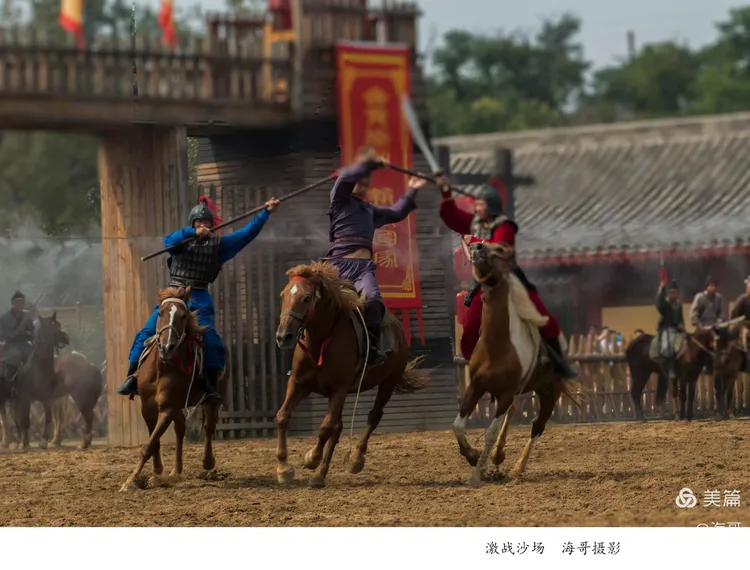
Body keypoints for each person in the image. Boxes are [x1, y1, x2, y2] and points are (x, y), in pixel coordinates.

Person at [116, 195, 280, 401]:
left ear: (212, 226)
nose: (203, 225)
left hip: (199, 299)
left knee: (211, 340)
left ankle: (210, 387)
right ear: (192, 224)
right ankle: (132, 377)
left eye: (206, 222)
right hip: (174, 295)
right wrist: (192, 233)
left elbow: (246, 234)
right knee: (146, 332)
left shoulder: (220, 246)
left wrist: (265, 213)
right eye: (199, 222)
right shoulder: (180, 242)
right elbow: (168, 240)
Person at [436, 176, 576, 379]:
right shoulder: (475, 223)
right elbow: (452, 217)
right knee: (470, 325)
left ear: (490, 206)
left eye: (481, 205)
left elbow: (499, 248)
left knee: (541, 316)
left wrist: (474, 240)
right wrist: (446, 192)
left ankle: (557, 362)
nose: (477, 208)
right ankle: (475, 365)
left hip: (508, 279)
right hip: (485, 282)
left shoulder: (505, 226)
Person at [323, 146, 425, 365]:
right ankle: (306, 353)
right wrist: (368, 163)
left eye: (366, 181)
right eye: (360, 180)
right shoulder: (339, 199)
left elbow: (396, 212)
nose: (363, 183)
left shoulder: (370, 211)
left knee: (373, 299)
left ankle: (371, 347)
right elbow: (346, 178)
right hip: (337, 265)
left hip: (363, 269)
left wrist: (411, 190)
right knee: (315, 300)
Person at [0, 291, 36, 397]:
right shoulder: (4, 318)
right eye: (18, 302)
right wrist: (15, 334)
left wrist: (27, 334)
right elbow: (3, 335)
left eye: (22, 303)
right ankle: (10, 385)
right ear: (13, 304)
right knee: (14, 359)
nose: (21, 305)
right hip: (12, 345)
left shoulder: (27, 317)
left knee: (36, 358)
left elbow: (32, 331)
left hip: (25, 344)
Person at [654, 278, 685, 380]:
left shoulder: (679, 305)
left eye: (675, 293)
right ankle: (669, 368)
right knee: (668, 346)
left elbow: (681, 318)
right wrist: (661, 289)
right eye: (671, 293)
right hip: (666, 328)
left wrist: (682, 325)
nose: (674, 295)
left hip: (677, 330)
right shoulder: (665, 304)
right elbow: (659, 304)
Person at [729, 275, 750, 374]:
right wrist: (742, 325)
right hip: (742, 325)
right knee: (745, 335)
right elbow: (735, 316)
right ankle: (746, 355)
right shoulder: (742, 300)